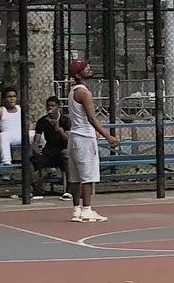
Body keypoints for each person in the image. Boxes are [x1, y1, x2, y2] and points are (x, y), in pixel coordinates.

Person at [66, 59, 118, 222]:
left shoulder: (73, 90)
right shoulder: (85, 93)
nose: (89, 68)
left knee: (75, 177)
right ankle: (86, 209)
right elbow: (92, 118)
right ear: (78, 74)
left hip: (74, 136)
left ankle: (76, 209)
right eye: (84, 68)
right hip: (84, 137)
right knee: (88, 176)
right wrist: (108, 136)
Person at [33, 96, 72, 199]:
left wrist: (59, 130)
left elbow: (69, 139)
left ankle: (69, 189)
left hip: (62, 150)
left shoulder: (65, 120)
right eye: (48, 106)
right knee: (30, 162)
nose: (50, 108)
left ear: (58, 107)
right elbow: (37, 139)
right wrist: (36, 149)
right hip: (49, 151)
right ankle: (35, 189)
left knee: (66, 156)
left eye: (52, 106)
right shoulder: (42, 121)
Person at [0, 85, 24, 173]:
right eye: (9, 97)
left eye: (14, 96)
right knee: (3, 135)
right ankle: (6, 162)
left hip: (23, 135)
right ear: (4, 99)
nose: (12, 99)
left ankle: (46, 158)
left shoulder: (21, 108)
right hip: (9, 137)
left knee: (40, 134)